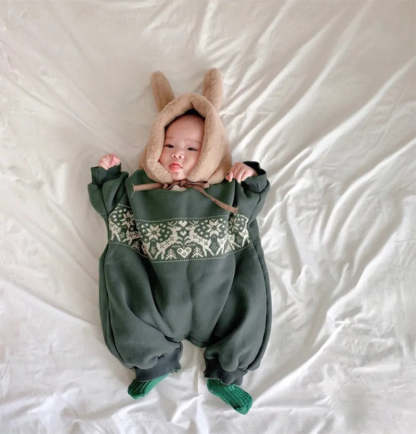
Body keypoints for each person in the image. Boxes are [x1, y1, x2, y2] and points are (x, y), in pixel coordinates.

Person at [88, 70, 271, 415]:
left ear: (212, 150)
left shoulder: (225, 189)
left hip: (220, 293)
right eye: (169, 145)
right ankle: (151, 362)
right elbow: (111, 206)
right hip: (156, 292)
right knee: (124, 290)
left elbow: (254, 200)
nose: (177, 155)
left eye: (192, 148)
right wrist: (109, 178)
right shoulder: (140, 189)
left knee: (250, 300)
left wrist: (250, 175)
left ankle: (228, 372)